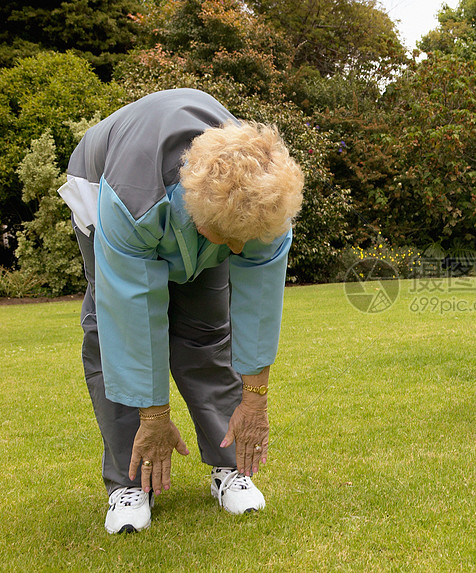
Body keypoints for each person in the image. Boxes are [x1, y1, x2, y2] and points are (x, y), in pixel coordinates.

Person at [58, 88, 304, 533]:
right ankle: (128, 482)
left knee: (208, 331)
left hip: (201, 211)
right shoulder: (132, 202)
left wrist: (256, 399)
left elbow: (259, 303)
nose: (235, 251)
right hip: (107, 191)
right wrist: (153, 415)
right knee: (107, 333)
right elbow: (130, 317)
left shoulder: (264, 204)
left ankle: (230, 467)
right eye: (229, 238)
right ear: (199, 214)